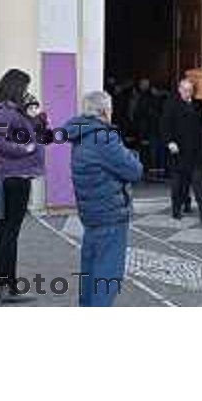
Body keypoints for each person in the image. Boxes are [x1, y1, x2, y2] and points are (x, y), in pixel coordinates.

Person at [65, 91, 143, 307]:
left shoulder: (82, 134)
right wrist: (132, 155)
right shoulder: (103, 138)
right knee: (108, 274)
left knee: (91, 269)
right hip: (110, 212)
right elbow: (134, 171)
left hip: (91, 211)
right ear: (105, 111)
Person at [0, 69, 45, 299]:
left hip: (5, 176)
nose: (27, 92)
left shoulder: (2, 110)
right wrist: (25, 148)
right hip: (14, 177)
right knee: (9, 232)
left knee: (0, 230)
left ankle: (0, 285)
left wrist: (34, 116)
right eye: (25, 87)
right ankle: (9, 287)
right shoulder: (6, 111)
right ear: (17, 87)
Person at [160, 78, 202, 222]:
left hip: (195, 151)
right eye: (185, 90)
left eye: (190, 90)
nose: (188, 93)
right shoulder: (171, 104)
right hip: (178, 150)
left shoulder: (196, 104)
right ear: (179, 89)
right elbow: (164, 125)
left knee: (197, 182)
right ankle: (176, 210)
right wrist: (169, 142)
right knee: (178, 183)